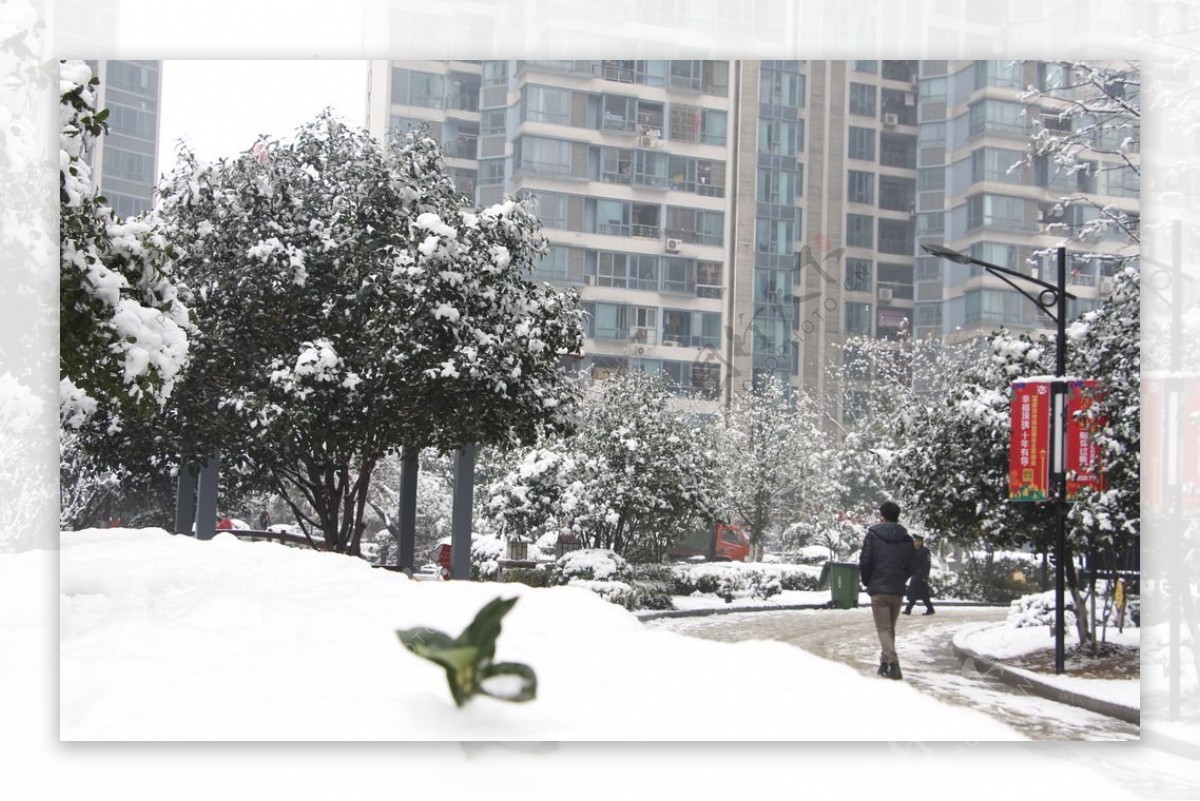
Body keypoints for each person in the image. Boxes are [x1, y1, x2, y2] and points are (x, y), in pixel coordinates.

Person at [858, 500, 915, 680]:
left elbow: (865, 561)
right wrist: (901, 579)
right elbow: (911, 565)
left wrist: (868, 582)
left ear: (882, 516)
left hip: (879, 589)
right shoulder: (906, 538)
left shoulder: (872, 535)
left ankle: (893, 662)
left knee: (883, 628)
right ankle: (884, 663)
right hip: (897, 589)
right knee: (890, 628)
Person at [904, 534, 935, 616]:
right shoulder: (912, 550)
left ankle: (908, 609)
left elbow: (927, 564)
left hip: (921, 575)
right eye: (914, 541)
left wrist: (925, 575)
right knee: (923, 594)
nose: (915, 543)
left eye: (917, 541)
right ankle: (930, 608)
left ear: (921, 542)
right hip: (914, 574)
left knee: (914, 592)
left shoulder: (925, 551)